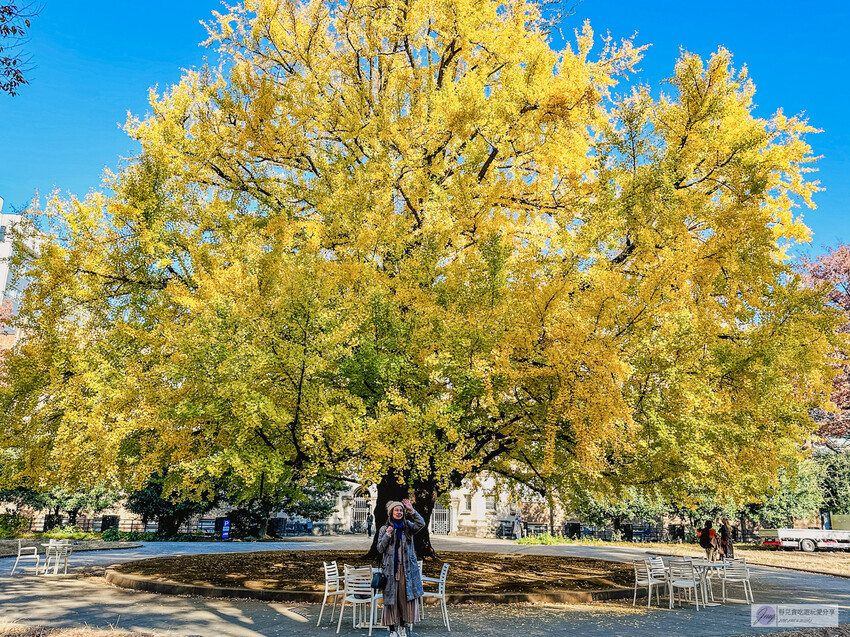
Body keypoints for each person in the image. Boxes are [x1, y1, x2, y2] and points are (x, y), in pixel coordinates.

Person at [377, 498, 425, 637]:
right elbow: (380, 549)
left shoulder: (408, 527)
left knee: (404, 599)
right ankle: (392, 630)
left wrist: (412, 510)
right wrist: (387, 535)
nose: (399, 512)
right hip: (390, 571)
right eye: (396, 510)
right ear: (390, 512)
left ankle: (402, 627)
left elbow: (421, 523)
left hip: (406, 570)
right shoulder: (384, 529)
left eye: (401, 510)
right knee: (391, 601)